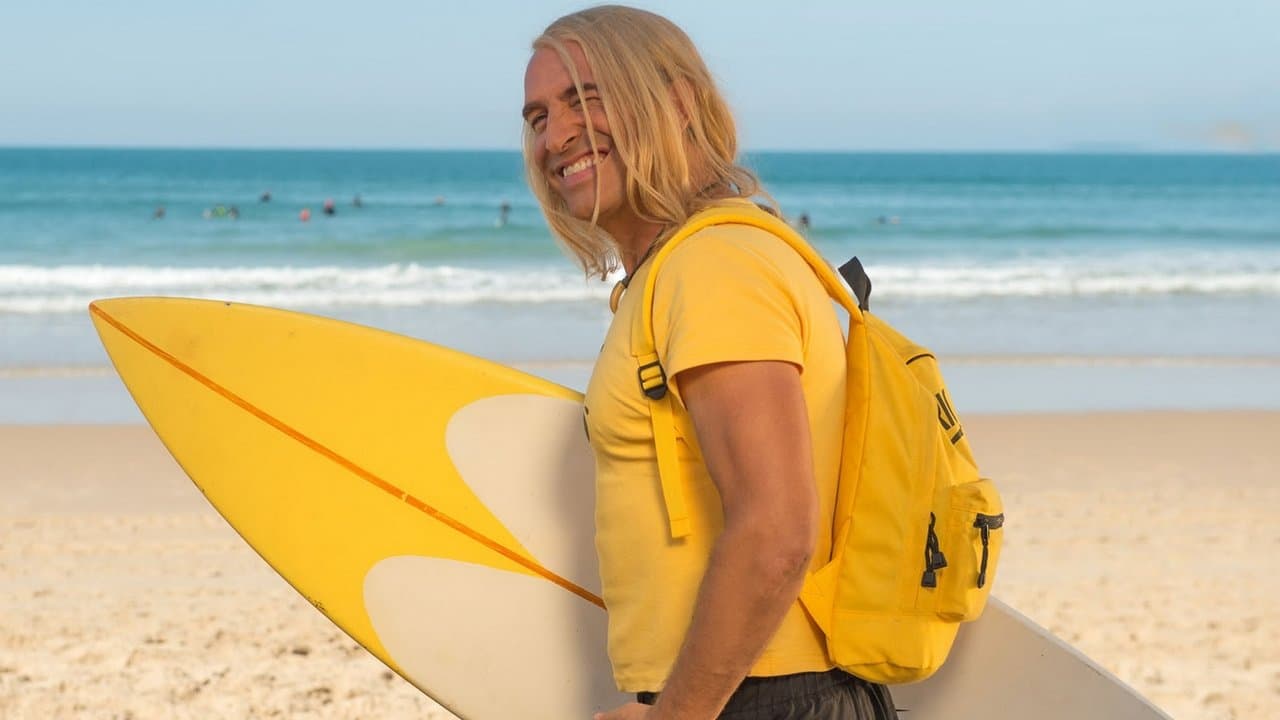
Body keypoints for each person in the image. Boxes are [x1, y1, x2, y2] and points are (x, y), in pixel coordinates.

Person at [521, 7, 895, 720]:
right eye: (538, 117)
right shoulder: (681, 269)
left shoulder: (713, 265)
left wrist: (678, 714)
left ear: (677, 102)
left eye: (585, 98)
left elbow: (777, 531)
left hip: (768, 698)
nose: (555, 136)